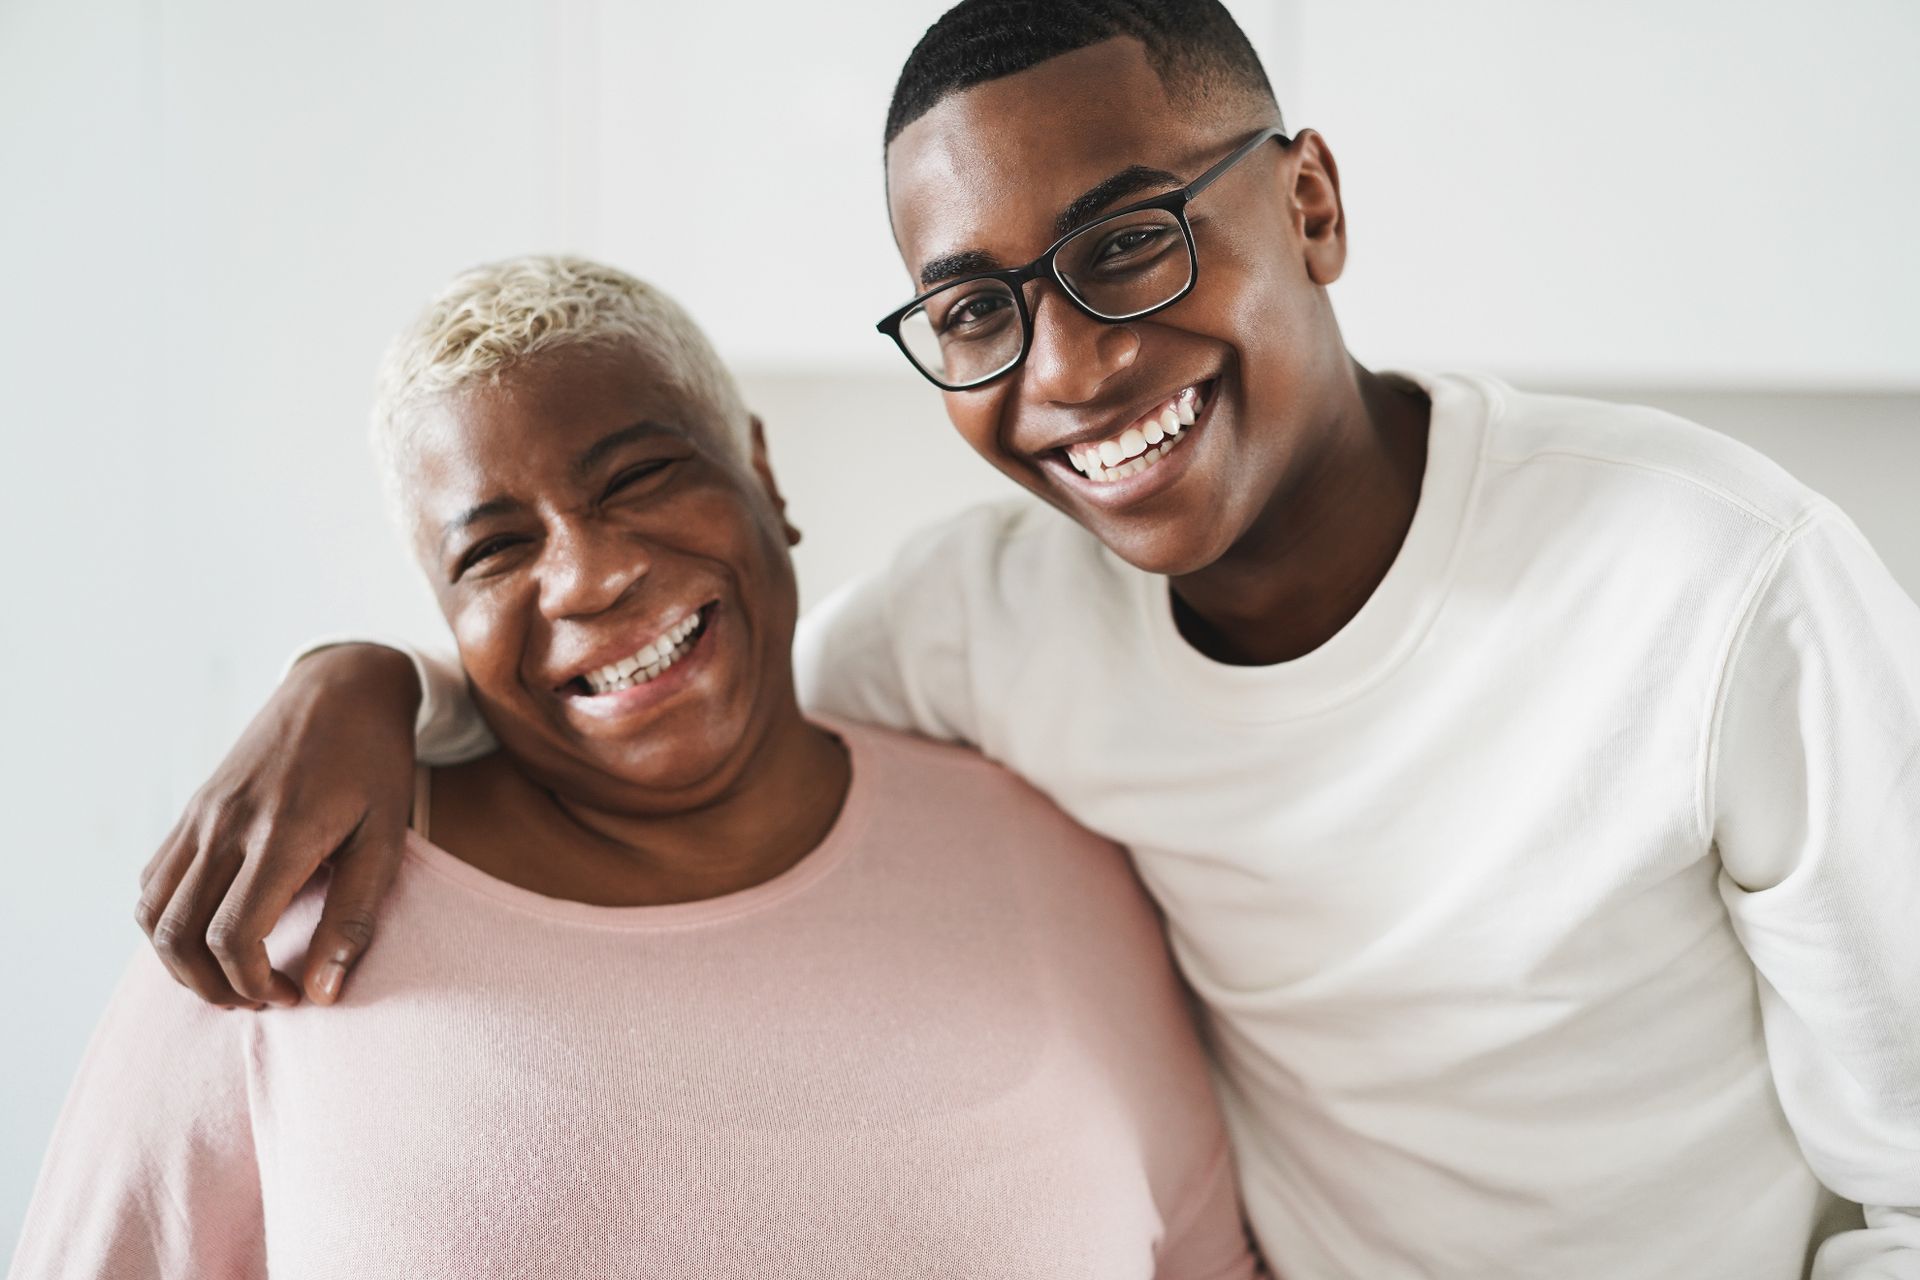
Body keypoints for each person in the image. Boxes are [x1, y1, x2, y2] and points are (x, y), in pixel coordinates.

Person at [131, 2, 1920, 1276]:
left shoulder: (1723, 589)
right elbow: (663, 677)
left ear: (1310, 204)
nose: (1068, 371)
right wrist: (363, 681)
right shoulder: (978, 632)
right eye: (978, 308)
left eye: (1130, 242)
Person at [11, 258, 1262, 1278]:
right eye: (496, 550)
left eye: (643, 475)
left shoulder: (1048, 855)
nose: (590, 573)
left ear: (764, 476)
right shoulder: (277, 905)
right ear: (444, 612)